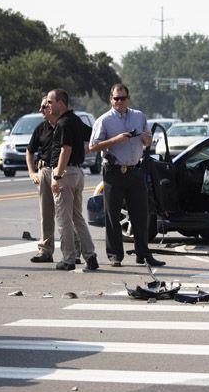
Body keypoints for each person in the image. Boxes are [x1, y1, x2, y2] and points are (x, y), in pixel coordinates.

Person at [89, 83, 165, 267]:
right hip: (114, 170)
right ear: (111, 99)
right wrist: (116, 140)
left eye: (123, 98)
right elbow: (92, 147)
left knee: (141, 215)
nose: (120, 102)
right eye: (116, 98)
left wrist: (146, 140)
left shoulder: (138, 116)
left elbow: (147, 140)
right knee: (112, 215)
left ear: (128, 99)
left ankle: (143, 254)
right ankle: (115, 255)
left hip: (135, 170)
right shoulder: (104, 120)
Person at [46, 88, 99, 271]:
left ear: (61, 103)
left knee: (64, 219)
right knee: (77, 218)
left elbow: (65, 150)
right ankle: (90, 256)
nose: (47, 105)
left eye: (50, 102)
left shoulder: (64, 123)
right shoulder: (76, 120)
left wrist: (57, 176)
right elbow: (93, 138)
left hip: (65, 174)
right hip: (77, 173)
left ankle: (68, 259)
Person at [26, 97, 82, 264]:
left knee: (68, 214)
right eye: (42, 106)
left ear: (54, 107)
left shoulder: (66, 124)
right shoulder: (41, 129)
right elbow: (29, 151)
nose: (42, 110)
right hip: (45, 171)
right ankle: (45, 250)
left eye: (45, 106)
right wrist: (31, 172)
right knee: (46, 212)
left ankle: (75, 251)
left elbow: (86, 139)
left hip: (62, 172)